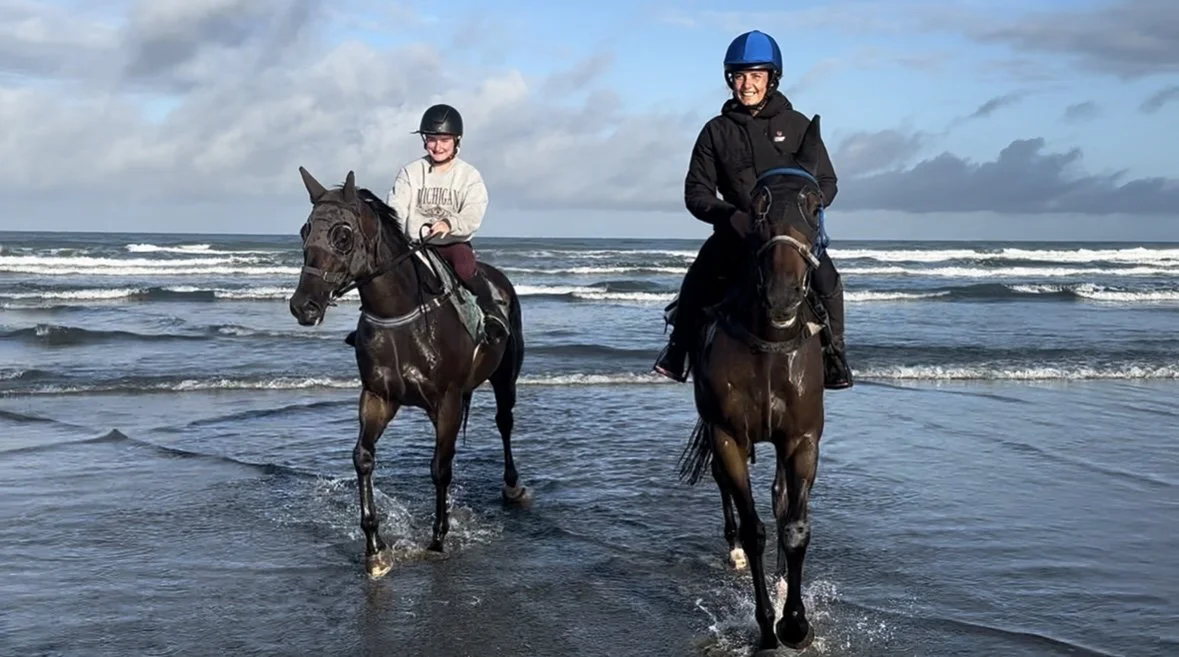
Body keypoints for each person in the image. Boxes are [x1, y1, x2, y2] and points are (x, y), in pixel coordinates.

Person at [652, 30, 853, 389]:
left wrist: (806, 212)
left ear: (772, 79)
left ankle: (836, 356)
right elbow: (696, 192)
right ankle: (677, 351)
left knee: (828, 282)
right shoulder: (716, 131)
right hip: (737, 233)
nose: (747, 85)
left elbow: (827, 181)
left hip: (790, 237)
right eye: (740, 76)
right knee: (696, 280)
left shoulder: (798, 126)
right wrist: (732, 217)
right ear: (730, 79)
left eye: (756, 76)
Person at [346, 103, 508, 347]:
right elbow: (397, 209)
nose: (438, 146)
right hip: (414, 245)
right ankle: (370, 325)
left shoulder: (469, 176)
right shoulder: (411, 172)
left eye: (444, 140)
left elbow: (474, 212)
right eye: (432, 139)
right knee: (384, 274)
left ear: (456, 141)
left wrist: (449, 223)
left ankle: (491, 313)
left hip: (452, 243)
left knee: (466, 269)